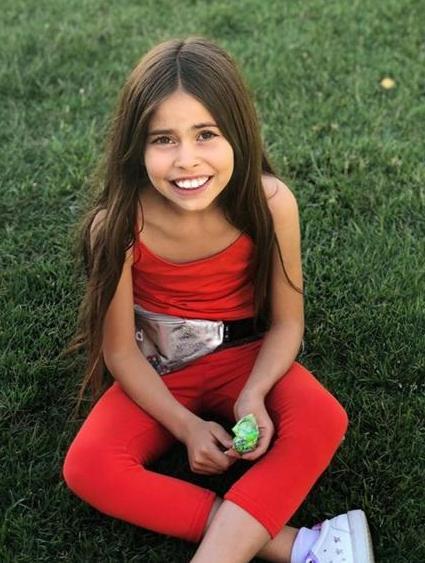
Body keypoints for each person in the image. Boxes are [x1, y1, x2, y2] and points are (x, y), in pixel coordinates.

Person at [62, 37, 375, 563]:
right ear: (136, 146)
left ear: (238, 132)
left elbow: (287, 324)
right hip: (159, 368)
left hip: (244, 357)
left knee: (323, 417)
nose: (187, 161)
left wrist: (254, 395)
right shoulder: (116, 227)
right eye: (163, 139)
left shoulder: (271, 203)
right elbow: (120, 352)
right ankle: (299, 545)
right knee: (88, 467)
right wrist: (185, 427)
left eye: (205, 134)